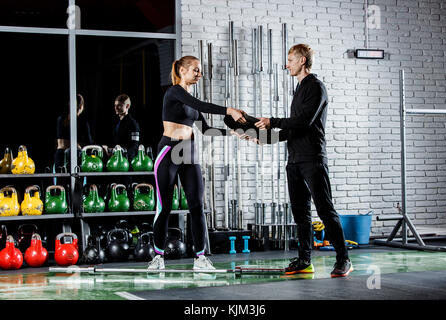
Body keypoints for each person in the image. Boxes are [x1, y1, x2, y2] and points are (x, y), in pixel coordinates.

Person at [254, 44, 353, 277]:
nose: (286, 64)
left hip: (313, 159)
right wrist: (267, 138)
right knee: (300, 213)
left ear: (302, 61)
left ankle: (344, 259)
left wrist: (273, 121)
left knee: (325, 210)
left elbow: (304, 122)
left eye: (290, 60)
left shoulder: (316, 87)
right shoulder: (299, 89)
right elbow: (293, 129)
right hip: (295, 160)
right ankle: (305, 261)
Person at [147, 55, 246, 270]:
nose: (200, 74)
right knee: (164, 207)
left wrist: (234, 132)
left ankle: (200, 257)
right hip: (169, 150)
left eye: (200, 70)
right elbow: (200, 104)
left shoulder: (190, 100)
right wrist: (228, 110)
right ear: (182, 71)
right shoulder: (175, 92)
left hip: (188, 152)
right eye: (196, 70)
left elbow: (206, 129)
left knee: (197, 205)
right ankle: (158, 257)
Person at [54, 94, 93, 170]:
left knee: (61, 181)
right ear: (81, 107)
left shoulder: (60, 119)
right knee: (76, 180)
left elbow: (59, 141)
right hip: (74, 155)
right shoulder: (82, 122)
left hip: (60, 154)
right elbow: (89, 143)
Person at [102, 94, 140, 161]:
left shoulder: (133, 124)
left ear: (127, 106)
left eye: (119, 105)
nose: (116, 108)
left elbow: (134, 146)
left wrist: (120, 153)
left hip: (127, 161)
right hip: (115, 159)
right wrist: (109, 149)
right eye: (115, 105)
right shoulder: (116, 122)